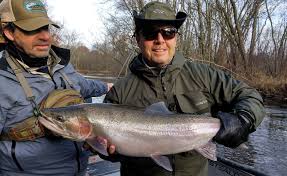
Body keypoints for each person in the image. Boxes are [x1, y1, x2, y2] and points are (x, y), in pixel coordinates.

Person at [104, 1, 265, 176]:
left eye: (168, 32)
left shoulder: (204, 76)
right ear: (138, 39)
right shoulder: (119, 92)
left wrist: (243, 120)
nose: (160, 40)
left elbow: (250, 96)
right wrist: (108, 152)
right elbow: (109, 150)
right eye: (150, 33)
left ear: (176, 38)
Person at [0, 0, 113, 175]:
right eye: (32, 29)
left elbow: (86, 85)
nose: (45, 37)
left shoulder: (63, 66)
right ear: (9, 32)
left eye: (46, 27)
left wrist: (108, 86)